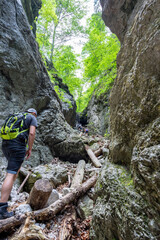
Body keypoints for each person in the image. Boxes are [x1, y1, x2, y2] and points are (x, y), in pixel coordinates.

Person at [0, 108, 38, 219]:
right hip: (18, 146)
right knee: (11, 174)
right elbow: (32, 133)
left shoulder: (15, 115)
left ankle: (5, 198)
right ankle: (2, 208)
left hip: (6, 145)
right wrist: (29, 149)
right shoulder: (32, 118)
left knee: (13, 172)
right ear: (34, 114)